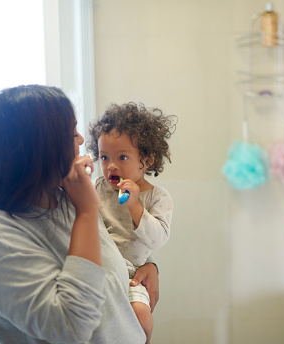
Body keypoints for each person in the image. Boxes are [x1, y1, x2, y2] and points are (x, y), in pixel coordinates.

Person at [0, 85, 159, 344]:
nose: (82, 139)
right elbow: (70, 328)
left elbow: (105, 265)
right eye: (72, 132)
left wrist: (147, 264)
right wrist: (86, 211)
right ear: (38, 148)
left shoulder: (66, 197)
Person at [86, 102, 176, 344]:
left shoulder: (157, 197)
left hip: (134, 274)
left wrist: (135, 205)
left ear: (146, 160)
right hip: (103, 273)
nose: (111, 166)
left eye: (122, 157)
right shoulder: (98, 188)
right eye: (104, 157)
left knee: (141, 314)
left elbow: (158, 239)